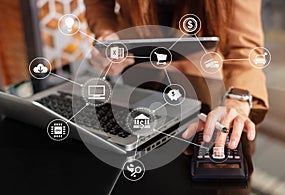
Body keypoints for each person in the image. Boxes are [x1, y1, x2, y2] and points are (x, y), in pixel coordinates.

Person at [84, 0, 268, 172]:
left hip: (208, 91)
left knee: (217, 173)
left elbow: (245, 50)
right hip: (140, 84)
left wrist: (236, 102)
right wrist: (108, 35)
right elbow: (98, 4)